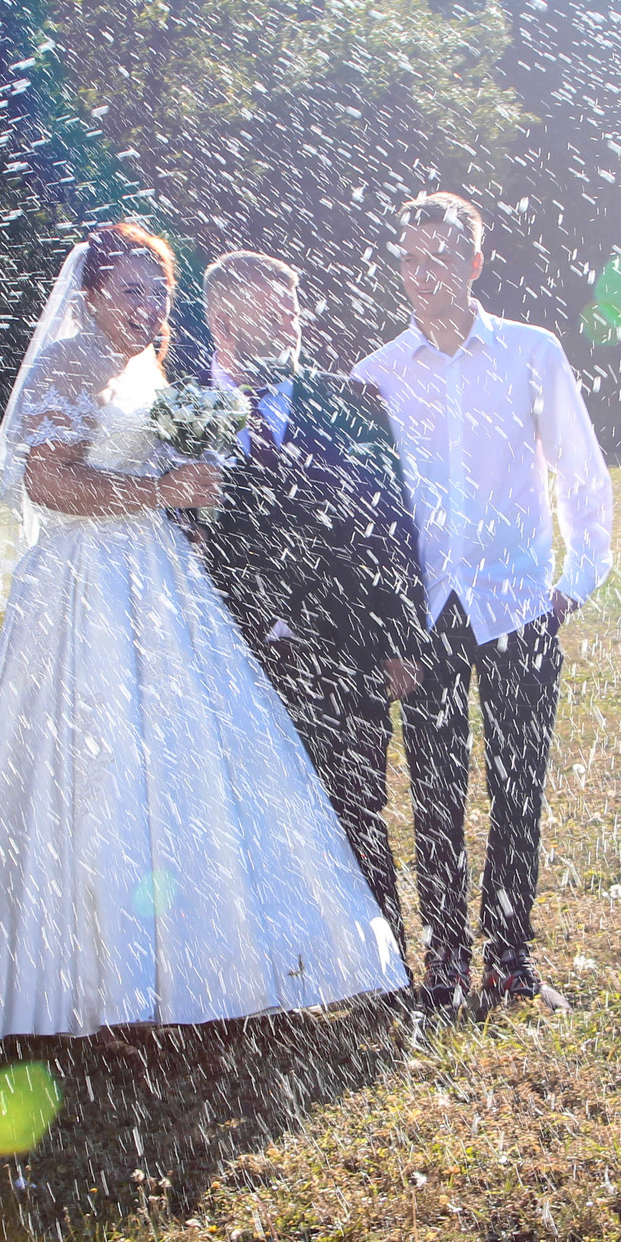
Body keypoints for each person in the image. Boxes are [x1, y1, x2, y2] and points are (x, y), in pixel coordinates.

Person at [0, 223, 406, 1045]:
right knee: (91, 766)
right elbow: (51, 482)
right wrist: (162, 487)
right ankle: (88, 979)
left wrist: (185, 494)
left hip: (161, 580)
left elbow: (158, 475)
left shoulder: (150, 366)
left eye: (158, 292)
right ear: (90, 294)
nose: (146, 306)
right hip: (85, 590)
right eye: (130, 291)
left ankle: (201, 966)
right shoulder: (67, 364)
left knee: (183, 758)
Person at [354, 193, 613, 1015]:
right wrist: (382, 624)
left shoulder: (533, 353)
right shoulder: (376, 374)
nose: (420, 276)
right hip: (423, 615)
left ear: (472, 263)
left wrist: (576, 580)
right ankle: (446, 966)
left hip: (519, 602)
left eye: (437, 259)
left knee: (518, 786)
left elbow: (580, 468)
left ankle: (509, 960)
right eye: (408, 261)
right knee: (435, 792)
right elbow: (367, 513)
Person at [193, 251, 427, 946]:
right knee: (237, 812)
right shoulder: (172, 404)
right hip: (225, 647)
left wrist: (402, 640)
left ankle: (380, 967)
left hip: (344, 642)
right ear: (222, 319)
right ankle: (260, 974)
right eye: (269, 310)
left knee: (357, 808)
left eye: (291, 309)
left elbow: (393, 525)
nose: (286, 322)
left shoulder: (350, 402)